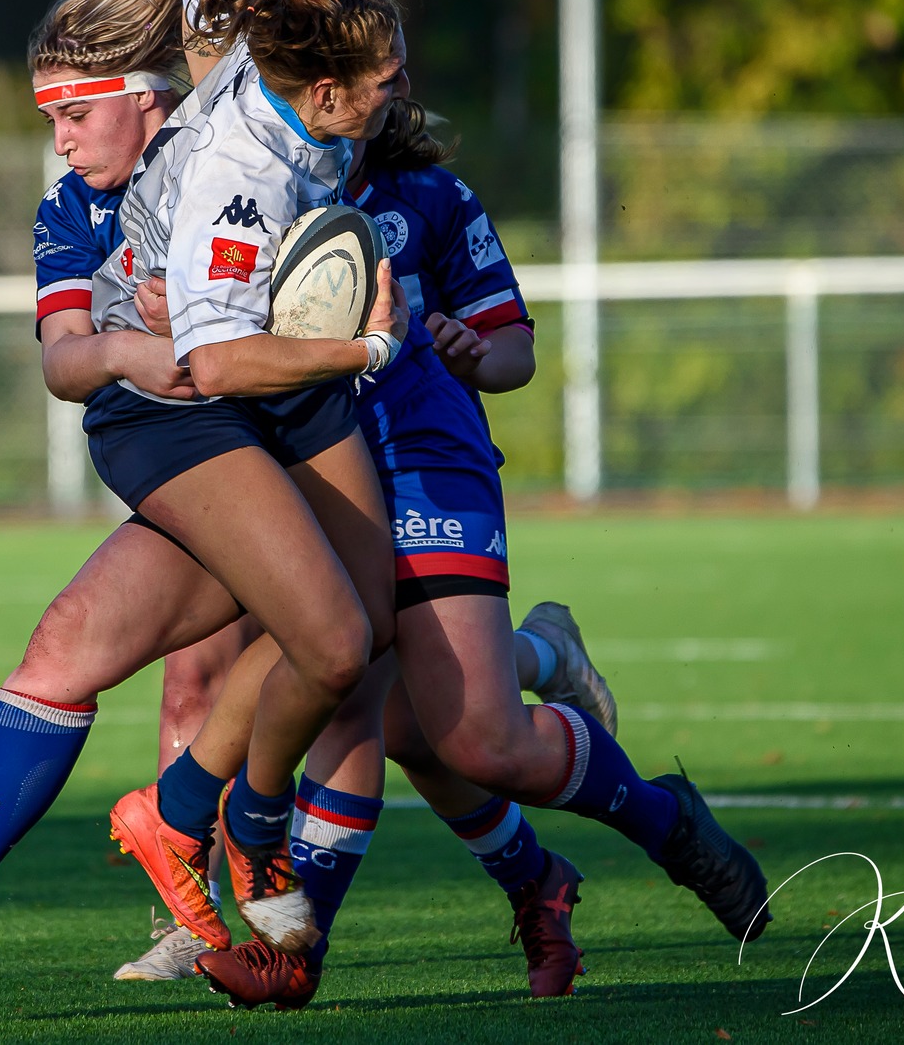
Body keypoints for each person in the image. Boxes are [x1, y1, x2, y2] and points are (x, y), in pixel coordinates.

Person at [0, 0, 413, 983]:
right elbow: (65, 361)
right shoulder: (74, 207)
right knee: (118, 647)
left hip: (268, 401)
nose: (61, 140)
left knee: (336, 632)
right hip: (183, 417)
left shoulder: (231, 101)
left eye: (74, 113)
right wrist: (135, 341)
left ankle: (164, 848)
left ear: (145, 95)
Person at [125, 104, 772, 1008]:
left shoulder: (429, 196)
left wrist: (474, 350)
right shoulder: (235, 181)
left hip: (424, 456)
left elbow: (514, 351)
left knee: (470, 737)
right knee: (387, 713)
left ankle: (664, 821)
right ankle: (320, 943)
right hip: (303, 460)